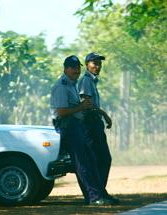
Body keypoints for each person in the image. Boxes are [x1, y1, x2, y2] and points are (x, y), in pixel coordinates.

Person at [50, 55, 114, 205]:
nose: (76, 70)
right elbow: (61, 112)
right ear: (66, 69)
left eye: (77, 67)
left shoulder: (71, 84)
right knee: (83, 162)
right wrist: (81, 107)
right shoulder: (61, 86)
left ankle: (96, 194)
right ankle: (94, 197)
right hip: (68, 125)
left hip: (75, 124)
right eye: (72, 67)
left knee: (89, 161)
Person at [77, 52, 119, 204]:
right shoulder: (86, 80)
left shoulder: (92, 81)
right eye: (94, 63)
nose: (98, 66)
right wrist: (104, 114)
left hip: (94, 122)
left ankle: (100, 192)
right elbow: (86, 103)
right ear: (87, 65)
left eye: (99, 63)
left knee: (102, 159)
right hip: (89, 123)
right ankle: (96, 195)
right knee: (97, 159)